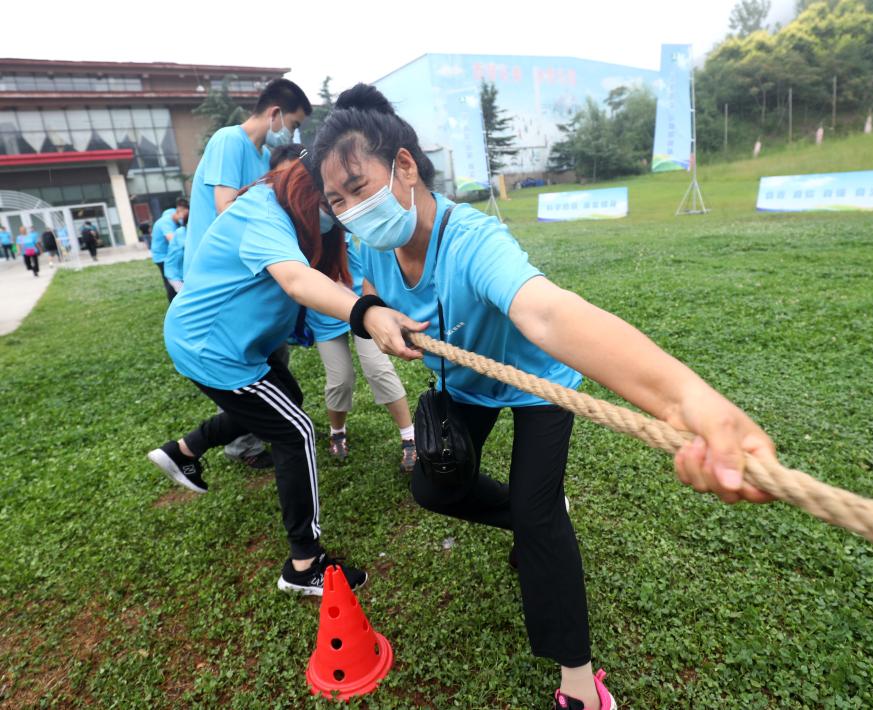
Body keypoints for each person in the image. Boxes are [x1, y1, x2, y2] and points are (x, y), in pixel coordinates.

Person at [313, 84, 778, 710]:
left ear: (402, 166)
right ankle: (531, 520)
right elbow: (369, 291)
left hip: (538, 384)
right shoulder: (375, 245)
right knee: (433, 486)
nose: (351, 211)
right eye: (337, 201)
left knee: (540, 520)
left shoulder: (474, 238)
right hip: (467, 386)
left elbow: (550, 315)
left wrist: (689, 402)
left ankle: (580, 679)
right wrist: (377, 315)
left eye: (358, 187)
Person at [147, 156, 421, 596]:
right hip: (213, 348)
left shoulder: (296, 217)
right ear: (307, 188)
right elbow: (295, 280)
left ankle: (183, 450)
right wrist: (366, 314)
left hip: (237, 344)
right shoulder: (264, 210)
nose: (342, 208)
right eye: (334, 198)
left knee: (282, 401)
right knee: (294, 430)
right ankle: (304, 564)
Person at [181, 78, 312, 470]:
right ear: (274, 113)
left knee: (272, 359)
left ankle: (262, 430)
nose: (291, 131)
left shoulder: (263, 154)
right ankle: (245, 442)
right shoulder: (229, 141)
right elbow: (226, 206)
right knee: (249, 367)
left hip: (249, 272)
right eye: (291, 122)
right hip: (220, 277)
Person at [269, 143, 417, 472]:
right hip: (326, 319)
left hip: (362, 311)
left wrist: (368, 303)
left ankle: (410, 436)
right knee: (340, 380)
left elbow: (367, 269)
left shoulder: (339, 221)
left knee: (379, 369)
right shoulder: (282, 231)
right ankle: (337, 432)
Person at [151, 199, 189, 302]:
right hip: (162, 257)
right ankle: (172, 305)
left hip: (171, 257)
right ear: (179, 211)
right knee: (170, 284)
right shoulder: (166, 223)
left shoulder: (176, 219)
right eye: (184, 216)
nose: (184, 219)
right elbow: (173, 239)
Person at [162, 224, 187, 295]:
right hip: (173, 273)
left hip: (183, 273)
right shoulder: (181, 232)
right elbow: (186, 246)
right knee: (183, 295)